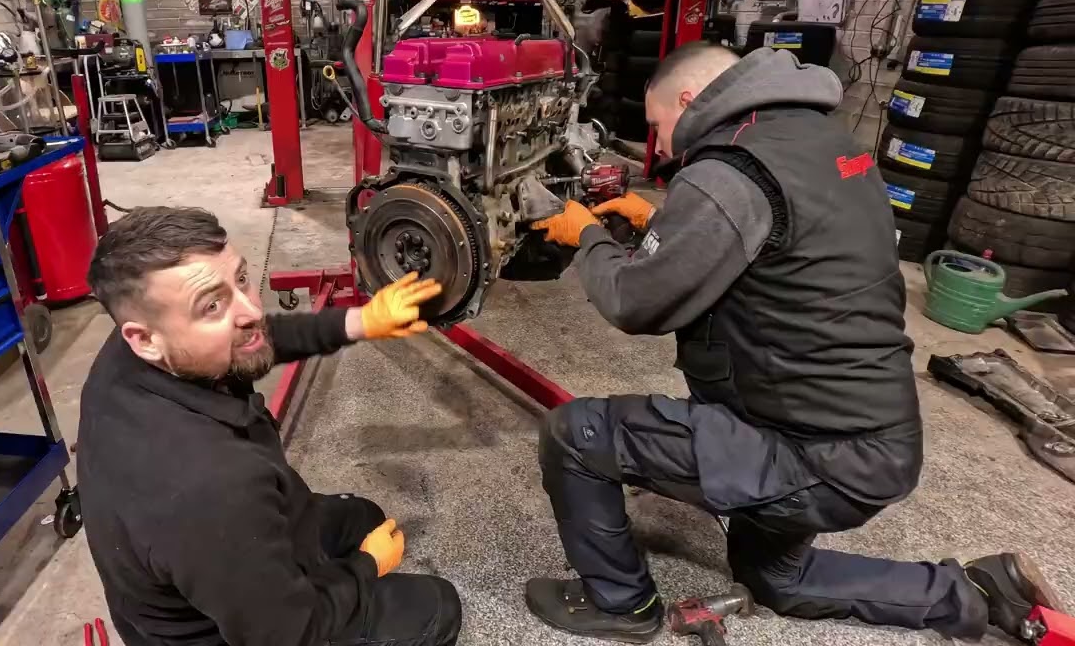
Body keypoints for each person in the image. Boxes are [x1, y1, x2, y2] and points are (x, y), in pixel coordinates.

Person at [523, 44, 1062, 643]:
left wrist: (588, 235)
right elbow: (789, 249)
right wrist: (662, 226)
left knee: (574, 435)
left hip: (807, 453)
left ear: (687, 99)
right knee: (775, 578)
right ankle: (979, 592)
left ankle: (619, 603)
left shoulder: (729, 169)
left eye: (658, 126)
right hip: (874, 446)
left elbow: (633, 302)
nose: (664, 146)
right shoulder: (829, 139)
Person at [78, 206, 462, 646]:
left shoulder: (141, 349)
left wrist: (360, 321)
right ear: (144, 339)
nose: (251, 310)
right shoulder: (214, 486)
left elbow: (250, 340)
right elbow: (288, 634)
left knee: (365, 517)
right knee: (436, 607)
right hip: (233, 631)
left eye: (241, 280)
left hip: (221, 555)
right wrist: (364, 568)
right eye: (212, 306)